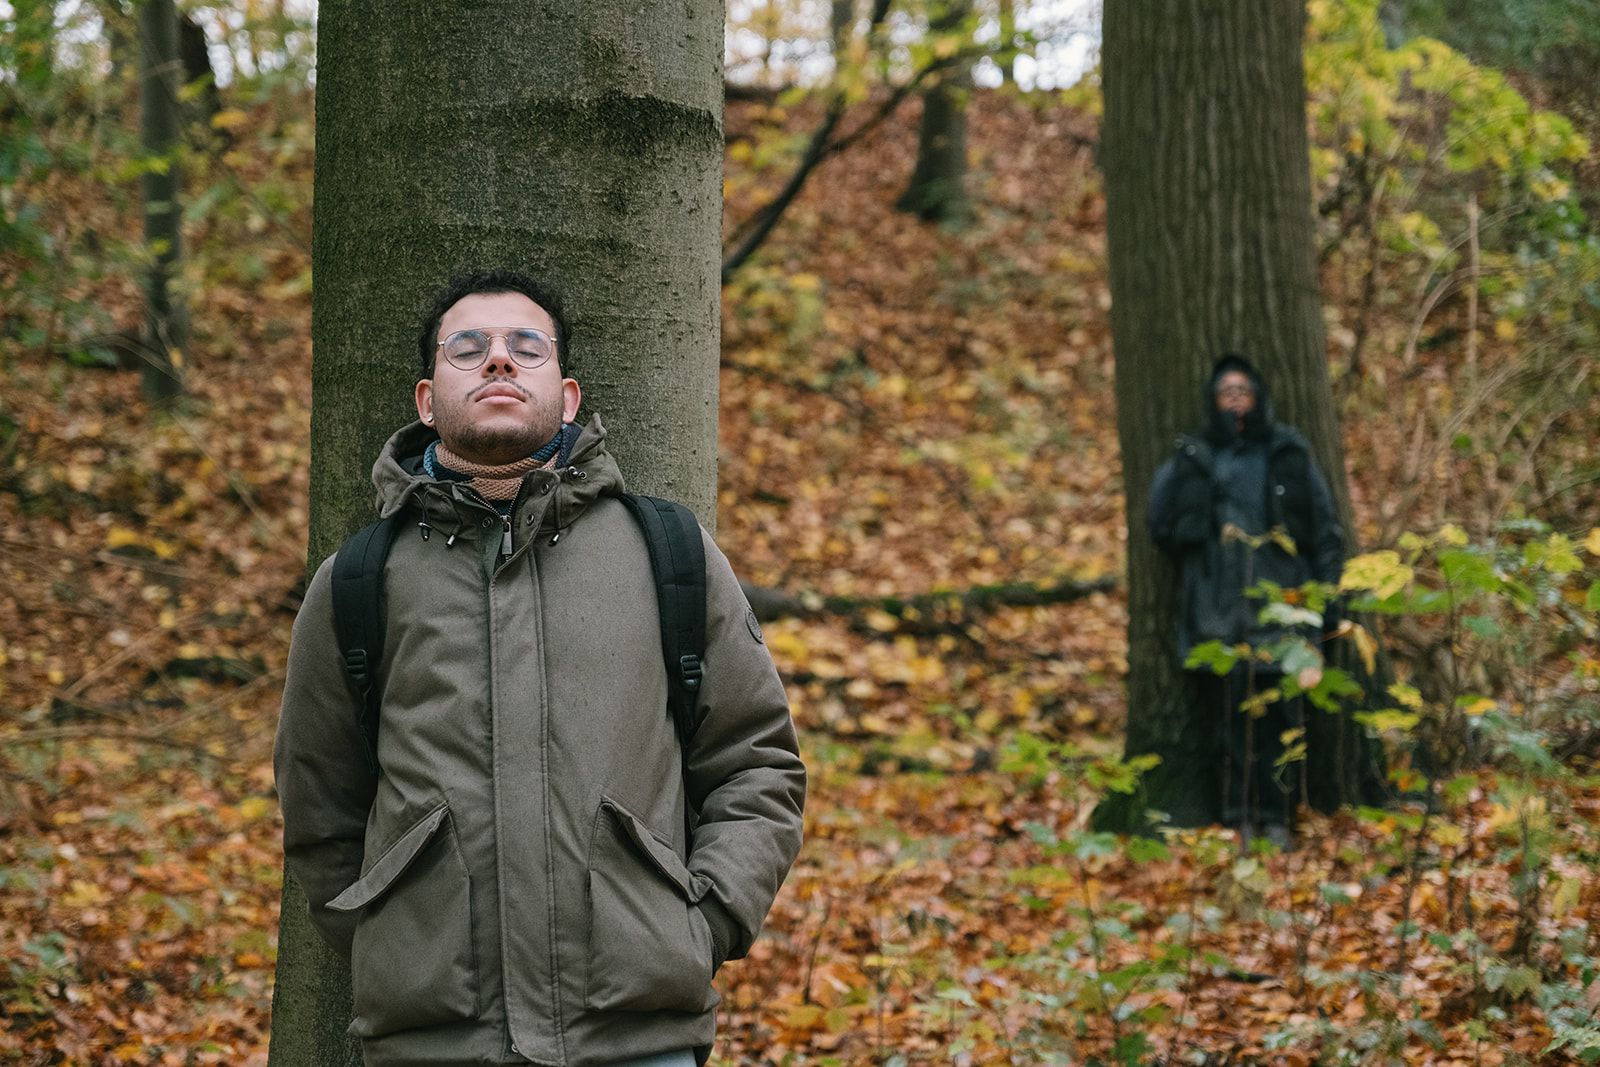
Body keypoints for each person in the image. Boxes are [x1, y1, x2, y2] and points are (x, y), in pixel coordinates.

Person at [274, 269, 806, 1067]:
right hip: (432, 1044)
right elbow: (320, 806)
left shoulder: (668, 551)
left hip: (637, 1036)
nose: (498, 362)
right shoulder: (358, 580)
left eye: (527, 348)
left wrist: (705, 921)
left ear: (566, 395)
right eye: (469, 347)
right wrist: (390, 935)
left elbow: (757, 762)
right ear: (426, 399)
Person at [1147, 354, 1344, 842]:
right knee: (1228, 725)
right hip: (1218, 614)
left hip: (1282, 613)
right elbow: (1161, 524)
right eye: (1225, 392)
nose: (1235, 399)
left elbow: (1323, 530)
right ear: (1213, 402)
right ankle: (1238, 819)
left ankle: (1277, 818)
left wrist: (1330, 603)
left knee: (1281, 721)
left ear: (1258, 398)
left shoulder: (1286, 453)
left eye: (1243, 391)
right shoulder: (1196, 456)